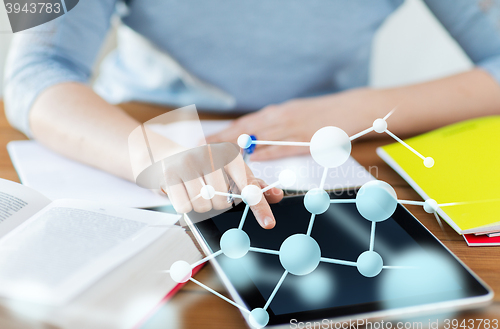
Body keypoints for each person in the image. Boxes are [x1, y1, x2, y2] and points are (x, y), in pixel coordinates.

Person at [4, 0, 500, 229]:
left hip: (333, 150)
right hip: (134, 125)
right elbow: (31, 70)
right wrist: (151, 152)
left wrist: (362, 109)